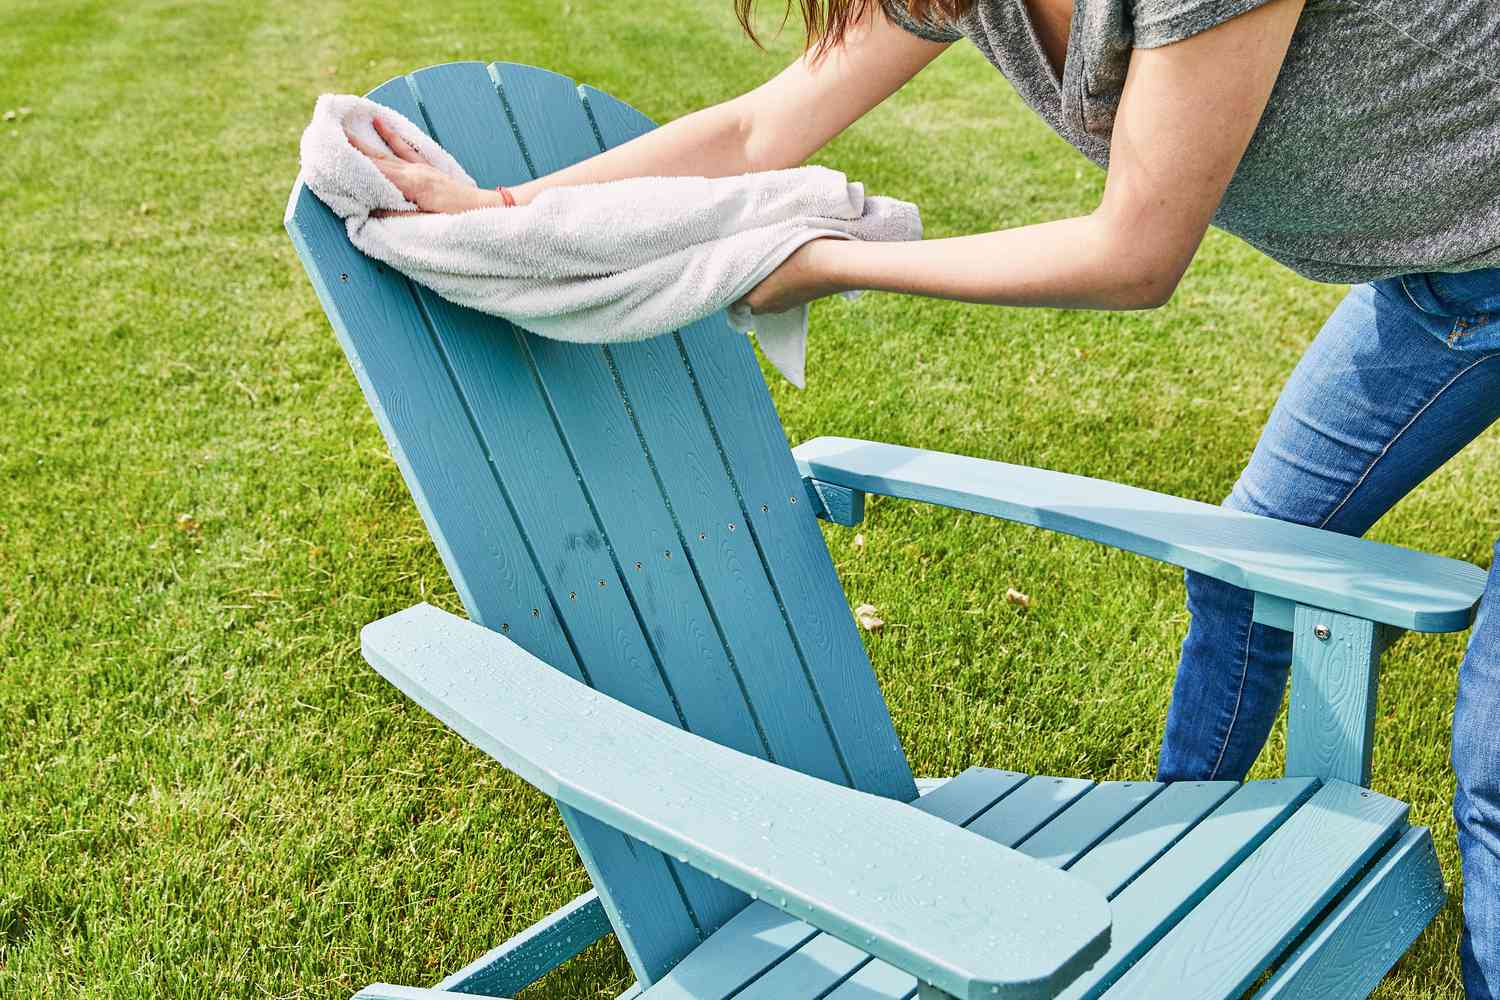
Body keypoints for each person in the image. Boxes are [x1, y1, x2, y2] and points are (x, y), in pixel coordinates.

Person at [344, 0, 1499, 991]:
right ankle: (1175, 851)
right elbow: (759, 127)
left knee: (1494, 761)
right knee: (1242, 574)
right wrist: (501, 213)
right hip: (1440, 286)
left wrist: (828, 256)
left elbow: (1137, 251)